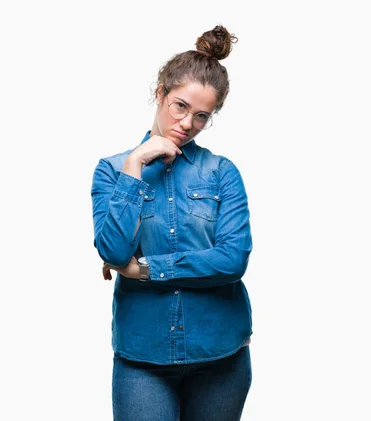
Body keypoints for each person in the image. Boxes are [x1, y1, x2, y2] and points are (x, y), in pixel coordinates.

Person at [90, 25, 253, 421]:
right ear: (160, 93)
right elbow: (112, 251)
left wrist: (145, 269)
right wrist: (134, 167)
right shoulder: (112, 171)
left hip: (220, 355)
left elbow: (232, 260)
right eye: (179, 106)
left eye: (202, 116)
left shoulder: (221, 173)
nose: (187, 123)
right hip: (142, 357)